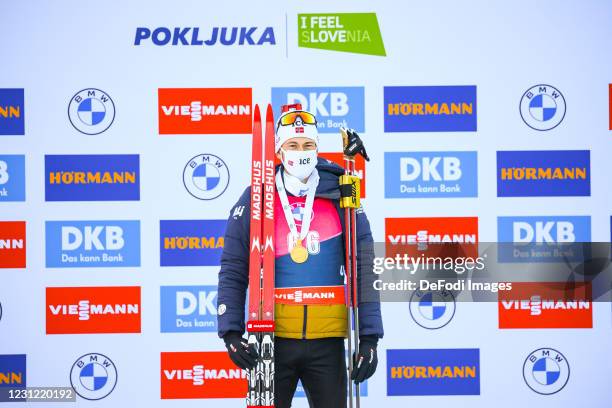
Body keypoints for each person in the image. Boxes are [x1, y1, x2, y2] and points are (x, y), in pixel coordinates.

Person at [217, 104, 383, 408]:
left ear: (317, 148)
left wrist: (369, 337)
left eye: (308, 145)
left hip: (328, 341)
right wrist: (230, 330)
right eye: (292, 145)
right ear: (279, 151)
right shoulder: (257, 196)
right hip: (271, 342)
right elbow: (234, 267)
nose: (301, 152)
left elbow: (363, 267)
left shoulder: (340, 194)